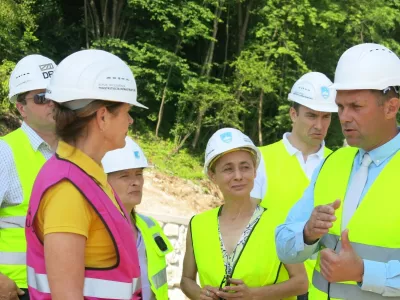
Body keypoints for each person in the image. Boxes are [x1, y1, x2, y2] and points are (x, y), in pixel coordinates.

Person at [275, 43, 400, 299]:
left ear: (391, 107)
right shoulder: (333, 163)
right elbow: (284, 243)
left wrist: (364, 271)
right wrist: (307, 233)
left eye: (356, 107)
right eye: (340, 107)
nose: (344, 117)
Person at [25, 49, 147, 300]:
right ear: (103, 116)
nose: (131, 121)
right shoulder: (68, 191)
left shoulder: (87, 176)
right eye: (126, 111)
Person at [181, 128, 308, 300]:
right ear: (212, 175)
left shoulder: (279, 222)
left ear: (255, 171)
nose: (238, 176)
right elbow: (186, 280)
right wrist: (199, 294)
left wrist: (253, 295)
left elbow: (301, 282)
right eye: (228, 169)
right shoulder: (198, 225)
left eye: (245, 167)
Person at [251, 72, 337, 292]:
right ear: (293, 114)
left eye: (326, 117)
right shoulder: (259, 159)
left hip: (321, 286)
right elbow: (245, 225)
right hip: (270, 286)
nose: (319, 124)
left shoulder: (339, 164)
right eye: (311, 115)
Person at [0, 54, 57, 300]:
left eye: (57, 94)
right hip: (17, 290)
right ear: (21, 107)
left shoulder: (78, 153)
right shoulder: (5, 152)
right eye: (42, 97)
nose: (53, 103)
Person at [102, 137, 173, 300]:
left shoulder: (150, 226)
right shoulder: (96, 229)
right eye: (125, 176)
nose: (136, 182)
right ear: (104, 180)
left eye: (139, 174)